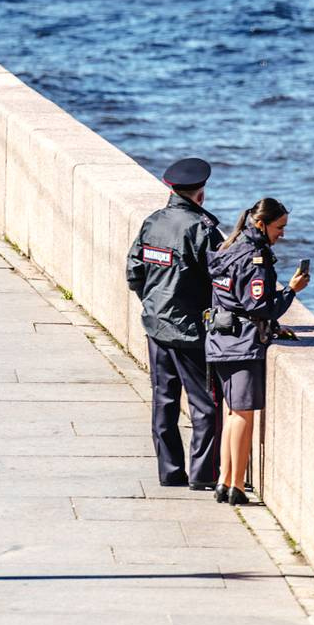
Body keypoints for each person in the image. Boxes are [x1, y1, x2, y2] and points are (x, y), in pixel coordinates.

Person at [125, 157, 223, 491]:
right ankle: (204, 474)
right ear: (201, 193)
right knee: (205, 406)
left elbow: (134, 272)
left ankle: (169, 472)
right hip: (191, 333)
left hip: (156, 327)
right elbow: (221, 282)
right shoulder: (202, 229)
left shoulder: (152, 223)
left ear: (171, 188)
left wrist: (155, 306)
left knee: (164, 401)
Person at [204, 198, 307, 506]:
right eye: (280, 227)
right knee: (242, 416)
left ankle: (224, 479)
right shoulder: (256, 258)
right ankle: (236, 485)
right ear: (262, 224)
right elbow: (258, 306)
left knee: (231, 413)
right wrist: (291, 290)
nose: (283, 234)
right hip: (242, 345)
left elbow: (231, 297)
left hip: (219, 339)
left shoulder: (229, 248)